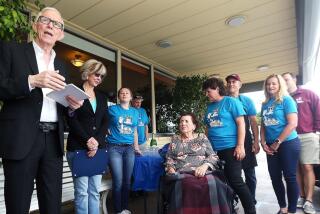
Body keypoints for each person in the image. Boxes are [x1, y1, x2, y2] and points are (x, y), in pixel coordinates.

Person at [0, 7, 83, 213]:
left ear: (61, 34)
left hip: (52, 143)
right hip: (21, 139)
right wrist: (31, 81)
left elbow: (60, 105)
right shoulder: (12, 50)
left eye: (56, 24)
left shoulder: (62, 65)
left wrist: (71, 107)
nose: (50, 26)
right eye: (45, 20)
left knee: (52, 205)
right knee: (18, 205)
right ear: (36, 25)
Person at [202, 77, 256, 214]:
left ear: (217, 89)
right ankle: (229, 208)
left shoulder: (230, 102)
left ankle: (250, 210)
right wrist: (205, 147)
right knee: (224, 182)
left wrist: (240, 145)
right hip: (214, 150)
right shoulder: (209, 107)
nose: (206, 94)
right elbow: (208, 128)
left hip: (230, 148)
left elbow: (241, 124)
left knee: (236, 181)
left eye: (208, 91)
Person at [164, 112, 233, 214]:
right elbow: (169, 157)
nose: (183, 123)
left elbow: (212, 156)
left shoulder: (202, 138)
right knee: (187, 185)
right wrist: (170, 168)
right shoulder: (175, 140)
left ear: (194, 126)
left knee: (215, 184)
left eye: (186, 121)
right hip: (183, 172)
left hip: (204, 171)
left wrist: (205, 166)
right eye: (181, 121)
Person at [66, 59, 108, 214]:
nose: (99, 78)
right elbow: (71, 119)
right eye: (97, 74)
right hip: (78, 148)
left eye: (102, 76)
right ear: (88, 72)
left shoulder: (102, 97)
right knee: (82, 192)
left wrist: (96, 142)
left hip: (98, 149)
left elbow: (105, 121)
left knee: (94, 191)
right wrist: (87, 140)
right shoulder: (74, 92)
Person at [260, 74, 300, 214]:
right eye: (268, 84)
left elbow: (292, 124)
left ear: (280, 85)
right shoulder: (265, 104)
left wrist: (277, 142)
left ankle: (292, 210)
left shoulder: (286, 100)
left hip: (288, 143)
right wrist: (262, 142)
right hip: (271, 146)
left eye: (274, 84)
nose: (270, 86)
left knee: (290, 177)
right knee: (275, 177)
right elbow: (263, 125)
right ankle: (283, 208)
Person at [282, 72, 320, 214]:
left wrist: (316, 132)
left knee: (307, 166)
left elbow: (318, 111)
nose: (285, 82)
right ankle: (301, 197)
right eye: (283, 80)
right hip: (290, 137)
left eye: (287, 79)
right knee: (295, 168)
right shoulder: (283, 98)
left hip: (307, 135)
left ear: (294, 79)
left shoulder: (307, 94)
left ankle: (309, 201)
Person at [226, 74, 260, 204]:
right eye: (229, 82)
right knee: (232, 175)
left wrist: (256, 141)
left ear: (240, 84)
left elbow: (253, 122)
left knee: (250, 174)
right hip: (229, 143)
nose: (231, 84)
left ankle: (251, 200)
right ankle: (233, 199)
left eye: (234, 82)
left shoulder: (246, 101)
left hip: (246, 142)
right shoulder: (224, 101)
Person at [106, 87, 141, 214]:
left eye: (127, 92)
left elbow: (135, 131)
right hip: (114, 148)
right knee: (118, 180)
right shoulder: (112, 109)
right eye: (122, 93)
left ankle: (125, 208)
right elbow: (100, 119)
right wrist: (105, 129)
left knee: (127, 180)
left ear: (131, 97)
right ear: (119, 97)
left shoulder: (135, 112)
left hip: (129, 149)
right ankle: (117, 210)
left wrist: (136, 147)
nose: (124, 94)